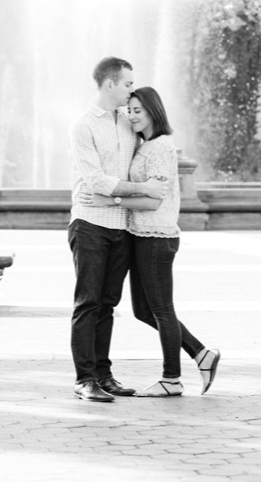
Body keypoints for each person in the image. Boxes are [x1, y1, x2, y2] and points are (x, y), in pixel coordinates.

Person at [86, 87, 220, 397]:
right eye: (129, 110)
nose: (131, 116)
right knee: (144, 311)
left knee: (161, 309)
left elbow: (152, 202)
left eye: (137, 111)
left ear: (153, 112)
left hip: (156, 237)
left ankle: (171, 379)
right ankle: (201, 354)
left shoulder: (160, 147)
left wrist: (113, 200)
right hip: (141, 236)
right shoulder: (145, 145)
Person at [68, 57, 169, 403]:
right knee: (88, 303)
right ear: (110, 84)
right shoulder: (83, 126)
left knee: (108, 304)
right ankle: (84, 380)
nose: (131, 90)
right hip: (90, 224)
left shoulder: (129, 123)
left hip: (121, 225)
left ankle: (103, 374)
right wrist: (143, 191)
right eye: (127, 84)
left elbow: (146, 160)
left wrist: (139, 190)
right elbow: (95, 181)